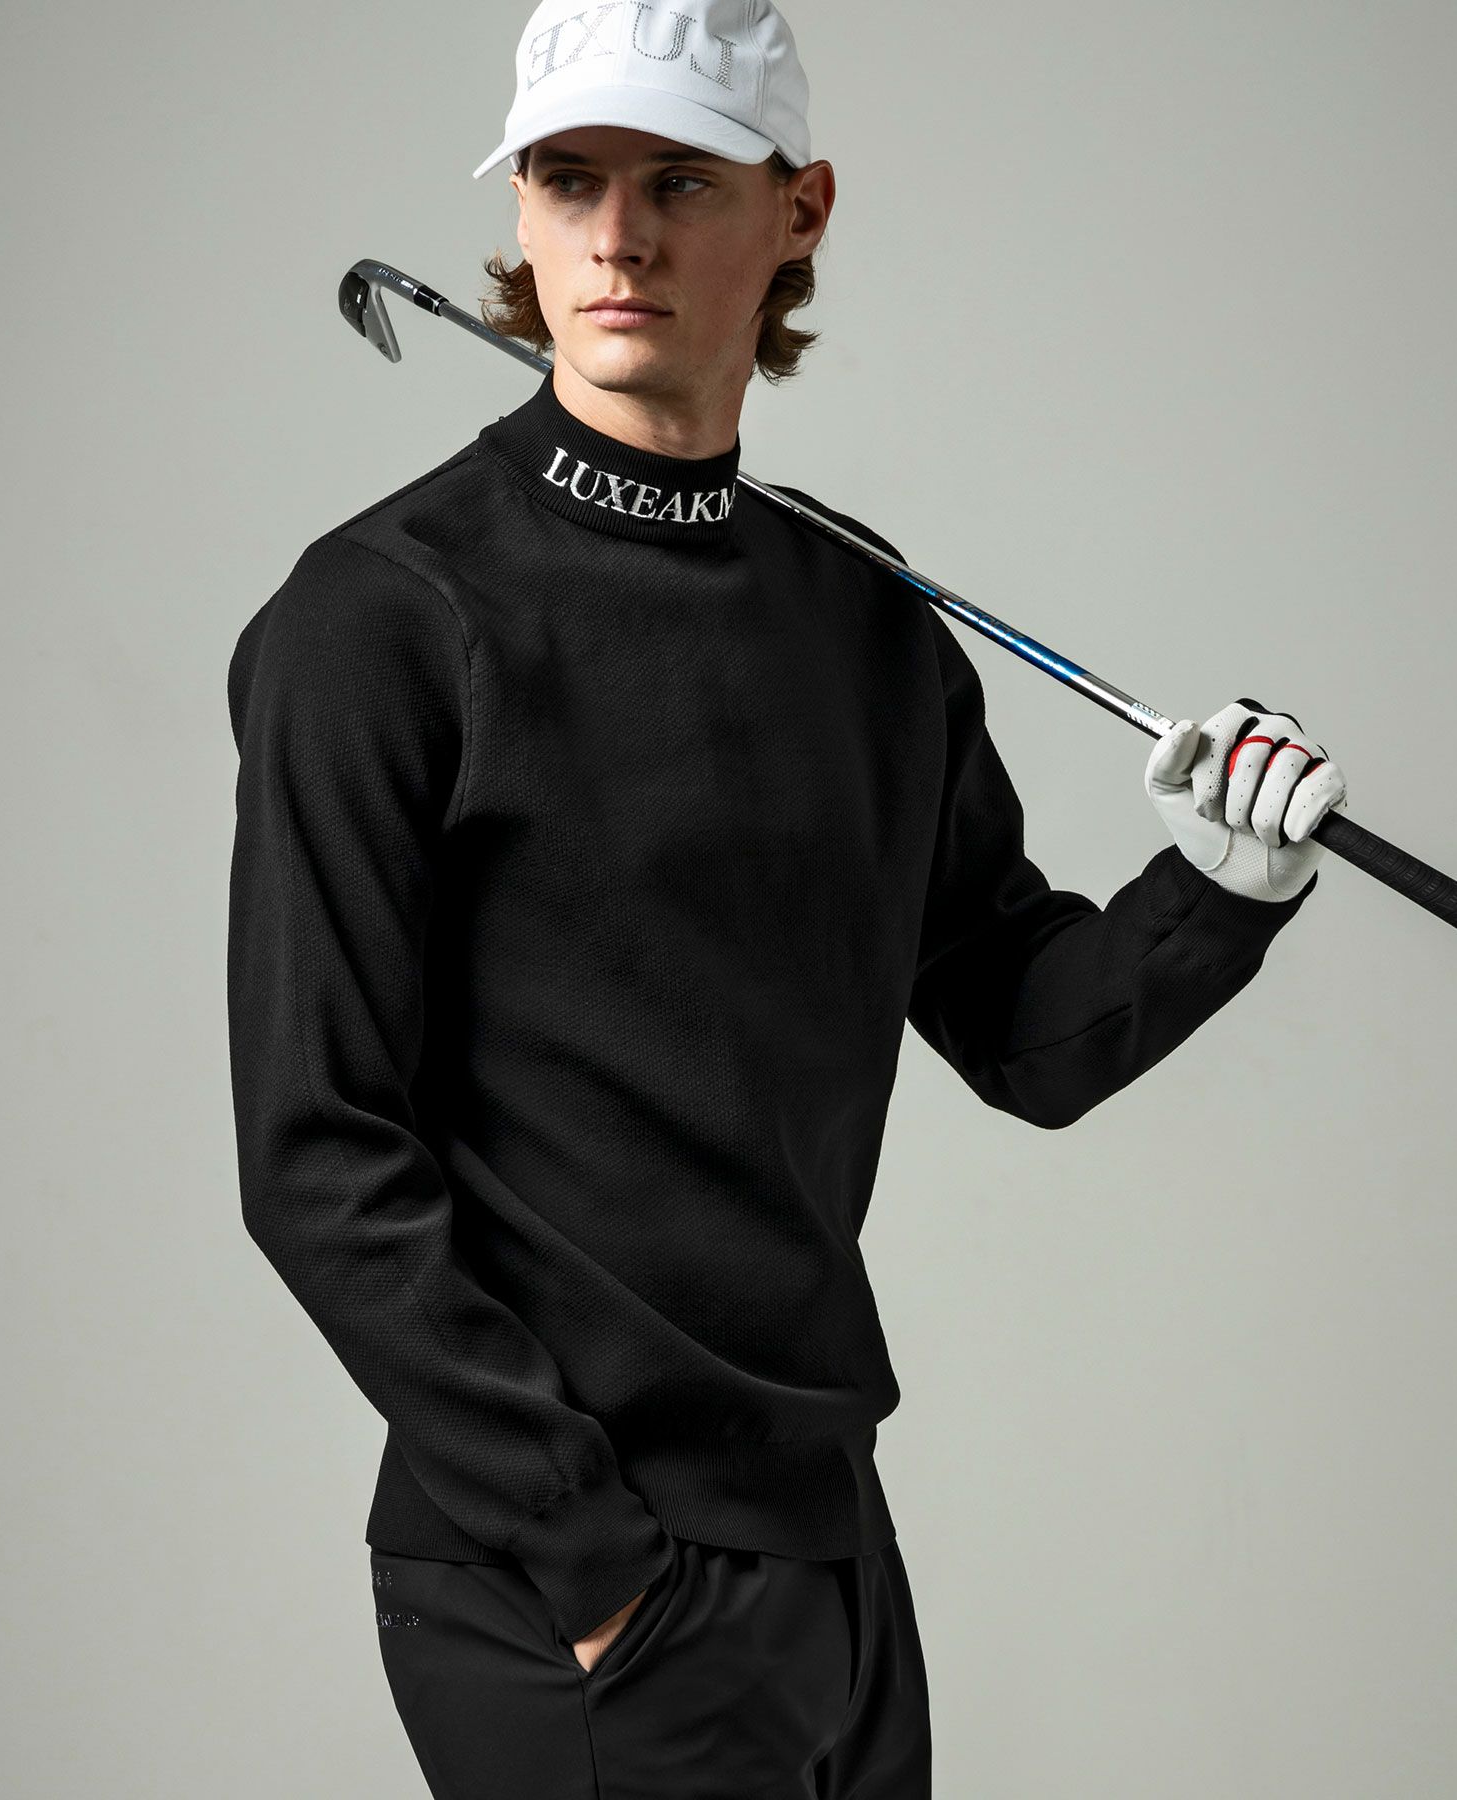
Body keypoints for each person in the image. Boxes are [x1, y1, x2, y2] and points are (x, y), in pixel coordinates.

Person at [224, 1, 1348, 1793]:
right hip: (574, 1570)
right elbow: (316, 1149)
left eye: (680, 180)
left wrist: (1222, 887)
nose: (618, 237)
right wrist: (590, 1560)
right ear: (520, 211)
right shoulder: (379, 621)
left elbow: (1024, 1030)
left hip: (829, 1537)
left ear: (800, 209)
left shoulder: (864, 619)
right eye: (568, 179)